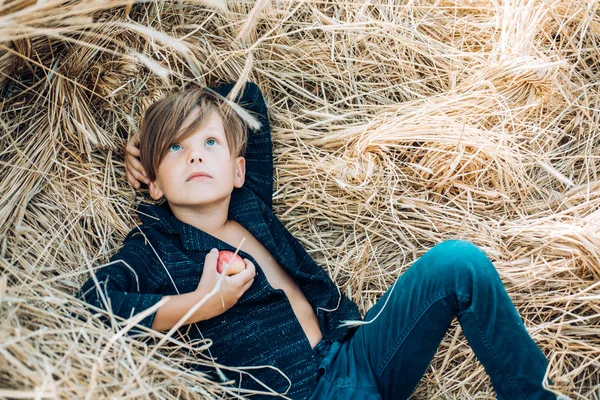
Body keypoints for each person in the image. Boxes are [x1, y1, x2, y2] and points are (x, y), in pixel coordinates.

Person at [78, 81, 558, 400]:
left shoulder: (249, 203)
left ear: (238, 169)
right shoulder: (155, 244)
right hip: (306, 392)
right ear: (155, 183)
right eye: (174, 150)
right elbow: (93, 304)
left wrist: (155, 132)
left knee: (459, 262)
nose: (195, 157)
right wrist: (201, 304)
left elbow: (245, 95)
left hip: (356, 349)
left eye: (208, 144)